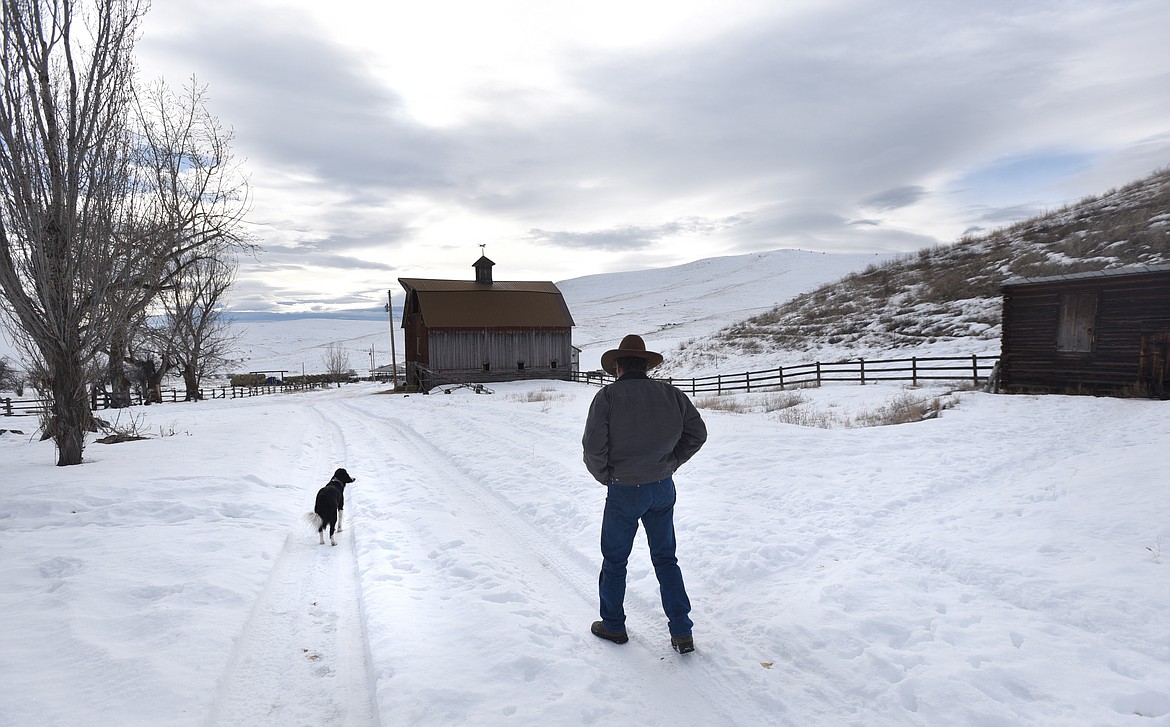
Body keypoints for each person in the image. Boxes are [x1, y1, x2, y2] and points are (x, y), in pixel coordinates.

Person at [581, 334, 707, 653]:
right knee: (666, 559)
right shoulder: (671, 394)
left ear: (618, 366)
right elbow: (697, 434)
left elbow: (593, 447)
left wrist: (606, 477)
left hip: (623, 489)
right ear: (645, 365)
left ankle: (613, 625)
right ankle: (682, 631)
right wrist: (671, 462)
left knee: (615, 560)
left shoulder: (607, 397)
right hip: (662, 488)